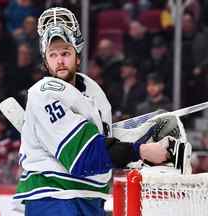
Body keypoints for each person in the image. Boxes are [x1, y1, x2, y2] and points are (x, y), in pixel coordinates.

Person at [12, 7, 174, 216]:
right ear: (45, 62)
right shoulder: (44, 93)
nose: (59, 60)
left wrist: (143, 142)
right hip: (54, 198)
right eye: (52, 55)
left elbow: (103, 146)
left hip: (89, 198)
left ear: (77, 56)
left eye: (65, 53)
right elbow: (84, 155)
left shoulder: (93, 92)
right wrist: (140, 151)